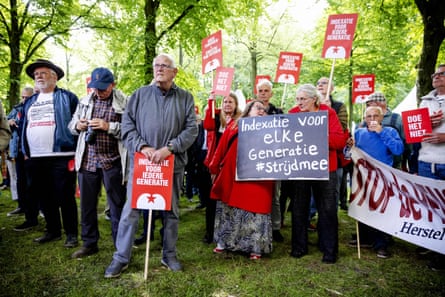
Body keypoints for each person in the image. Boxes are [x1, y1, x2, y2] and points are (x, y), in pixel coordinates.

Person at [104, 53, 198, 277]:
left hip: (172, 164)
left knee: (171, 212)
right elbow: (127, 126)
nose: (159, 69)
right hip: (143, 165)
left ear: (175, 72)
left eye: (165, 66)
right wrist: (143, 147)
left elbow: (192, 129)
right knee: (131, 211)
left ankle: (169, 254)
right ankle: (121, 257)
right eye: (157, 65)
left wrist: (170, 148)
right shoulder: (139, 95)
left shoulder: (185, 98)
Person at [14, 59, 79, 248]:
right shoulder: (30, 102)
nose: (38, 77)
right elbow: (24, 126)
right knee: (43, 195)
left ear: (54, 76)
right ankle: (52, 230)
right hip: (35, 157)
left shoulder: (68, 97)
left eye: (43, 73)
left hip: (62, 155)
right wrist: (25, 151)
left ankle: (71, 234)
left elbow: (78, 124)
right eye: (36, 75)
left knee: (65, 195)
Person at [68, 67, 128, 258]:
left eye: (103, 87)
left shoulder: (124, 102)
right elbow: (71, 126)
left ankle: (121, 245)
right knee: (87, 205)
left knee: (117, 205)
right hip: (88, 162)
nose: (99, 91)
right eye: (95, 87)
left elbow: (130, 129)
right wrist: (78, 126)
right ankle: (89, 243)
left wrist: (108, 126)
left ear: (113, 85)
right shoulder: (84, 101)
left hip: (113, 162)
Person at [288, 84, 346, 263]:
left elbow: (338, 141)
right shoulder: (292, 114)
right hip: (301, 168)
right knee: (299, 208)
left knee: (327, 209)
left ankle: (329, 249)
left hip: (325, 168)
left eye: (303, 99)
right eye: (297, 99)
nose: (299, 103)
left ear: (314, 99)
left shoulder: (328, 113)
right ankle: (299, 247)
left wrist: (315, 135)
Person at [209, 100, 274, 259]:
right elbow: (221, 148)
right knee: (229, 210)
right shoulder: (234, 126)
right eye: (258, 108)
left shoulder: (272, 131)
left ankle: (255, 247)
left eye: (264, 110)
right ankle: (224, 242)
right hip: (233, 176)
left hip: (258, 179)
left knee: (255, 212)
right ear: (248, 110)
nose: (261, 111)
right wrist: (214, 168)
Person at [350, 106, 404, 258]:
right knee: (363, 206)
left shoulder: (390, 131)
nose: (372, 119)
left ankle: (382, 243)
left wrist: (381, 132)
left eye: (375, 116)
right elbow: (349, 154)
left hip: (383, 177)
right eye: (369, 116)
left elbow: (398, 150)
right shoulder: (359, 133)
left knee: (382, 209)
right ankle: (365, 237)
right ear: (365, 119)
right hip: (363, 177)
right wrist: (348, 146)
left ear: (381, 118)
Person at [201, 92, 242, 244]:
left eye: (231, 102)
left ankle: (230, 232)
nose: (227, 104)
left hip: (231, 165)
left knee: (229, 200)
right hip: (214, 164)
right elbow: (207, 125)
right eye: (225, 101)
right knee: (212, 200)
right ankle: (210, 232)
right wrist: (211, 101)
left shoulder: (239, 120)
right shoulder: (216, 118)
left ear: (236, 104)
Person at [417, 63, 445, 271]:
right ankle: (434, 248)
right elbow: (413, 132)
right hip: (426, 161)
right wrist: (426, 122)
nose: (436, 76)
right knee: (431, 207)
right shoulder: (425, 101)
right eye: (435, 73)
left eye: (442, 74)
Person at [256, 80, 284, 242]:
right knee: (257, 193)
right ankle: (257, 225)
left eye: (266, 90)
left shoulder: (278, 112)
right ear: (257, 92)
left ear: (271, 93)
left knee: (275, 195)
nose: (263, 93)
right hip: (255, 159)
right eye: (261, 90)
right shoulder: (250, 111)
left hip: (274, 159)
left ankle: (275, 227)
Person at [317, 77, 350, 211]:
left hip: (333, 157)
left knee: (332, 190)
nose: (320, 85)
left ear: (331, 88)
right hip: (313, 157)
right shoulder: (309, 105)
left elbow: (342, 128)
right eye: (318, 83)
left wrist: (330, 112)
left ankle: (329, 216)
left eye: (324, 83)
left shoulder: (339, 106)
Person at [362, 92, 409, 170]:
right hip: (369, 168)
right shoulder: (363, 124)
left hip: (393, 166)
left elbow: (406, 144)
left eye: (368, 104)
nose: (367, 107)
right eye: (369, 116)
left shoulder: (397, 119)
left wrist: (406, 164)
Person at [6, 86, 33, 216]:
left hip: (30, 151)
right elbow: (4, 121)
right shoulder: (16, 108)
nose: (23, 100)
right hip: (17, 151)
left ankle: (35, 208)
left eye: (26, 97)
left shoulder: (34, 109)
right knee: (20, 180)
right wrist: (9, 121)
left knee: (31, 181)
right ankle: (22, 206)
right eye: (22, 97)